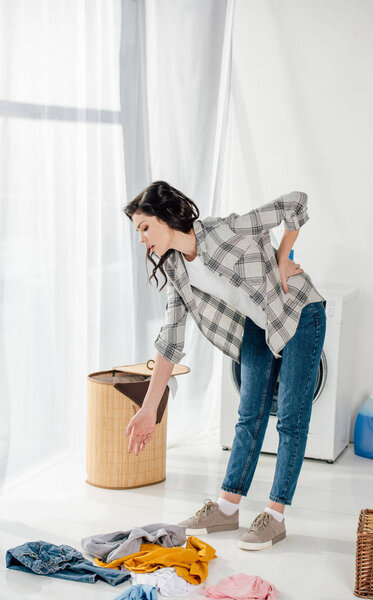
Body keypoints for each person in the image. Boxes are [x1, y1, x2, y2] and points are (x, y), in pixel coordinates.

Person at [123, 180, 326, 551]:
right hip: (257, 322)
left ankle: (275, 516)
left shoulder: (223, 230)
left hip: (298, 311)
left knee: (291, 420)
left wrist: (283, 258)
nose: (141, 239)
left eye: (144, 228)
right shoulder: (177, 272)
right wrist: (149, 408)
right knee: (249, 415)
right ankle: (227, 507)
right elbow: (171, 341)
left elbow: (295, 201)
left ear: (166, 216)